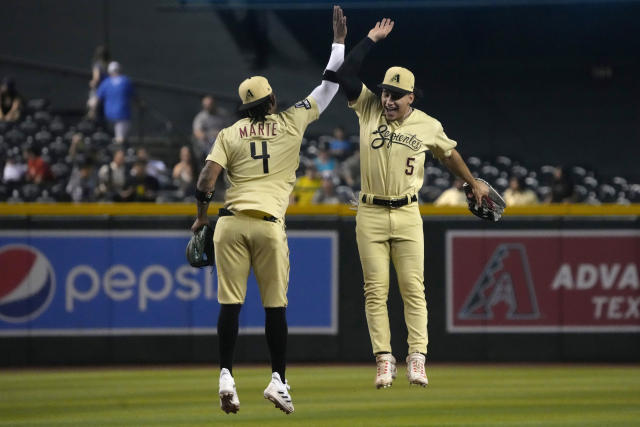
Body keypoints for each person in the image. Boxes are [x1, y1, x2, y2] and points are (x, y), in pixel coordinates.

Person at [189, 6, 346, 415]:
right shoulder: (292, 121)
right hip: (268, 225)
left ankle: (226, 374)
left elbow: (206, 178)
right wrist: (339, 44)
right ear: (273, 99)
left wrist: (201, 217)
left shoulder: (228, 132)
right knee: (275, 308)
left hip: (230, 222)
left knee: (230, 306)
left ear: (245, 107)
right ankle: (278, 380)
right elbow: (329, 85)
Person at [335, 18, 489, 389]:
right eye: (385, 92)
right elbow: (344, 74)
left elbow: (449, 154)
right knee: (375, 290)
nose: (387, 99)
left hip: (407, 212)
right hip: (369, 211)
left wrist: (472, 183)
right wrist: (371, 39)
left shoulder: (427, 125)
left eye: (395, 95)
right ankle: (384, 359)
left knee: (412, 287)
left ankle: (416, 357)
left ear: (410, 98)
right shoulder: (368, 107)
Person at [95, 61, 138, 144]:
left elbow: (97, 99)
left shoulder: (106, 83)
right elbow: (135, 97)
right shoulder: (126, 81)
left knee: (115, 139)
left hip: (108, 117)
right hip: (122, 116)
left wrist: (92, 112)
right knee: (120, 141)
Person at [192, 95, 228, 163]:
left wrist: (220, 135)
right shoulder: (201, 117)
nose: (208, 107)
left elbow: (230, 128)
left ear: (214, 104)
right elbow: (197, 133)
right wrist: (209, 136)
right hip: (206, 146)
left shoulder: (223, 114)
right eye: (206, 105)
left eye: (210, 104)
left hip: (222, 143)